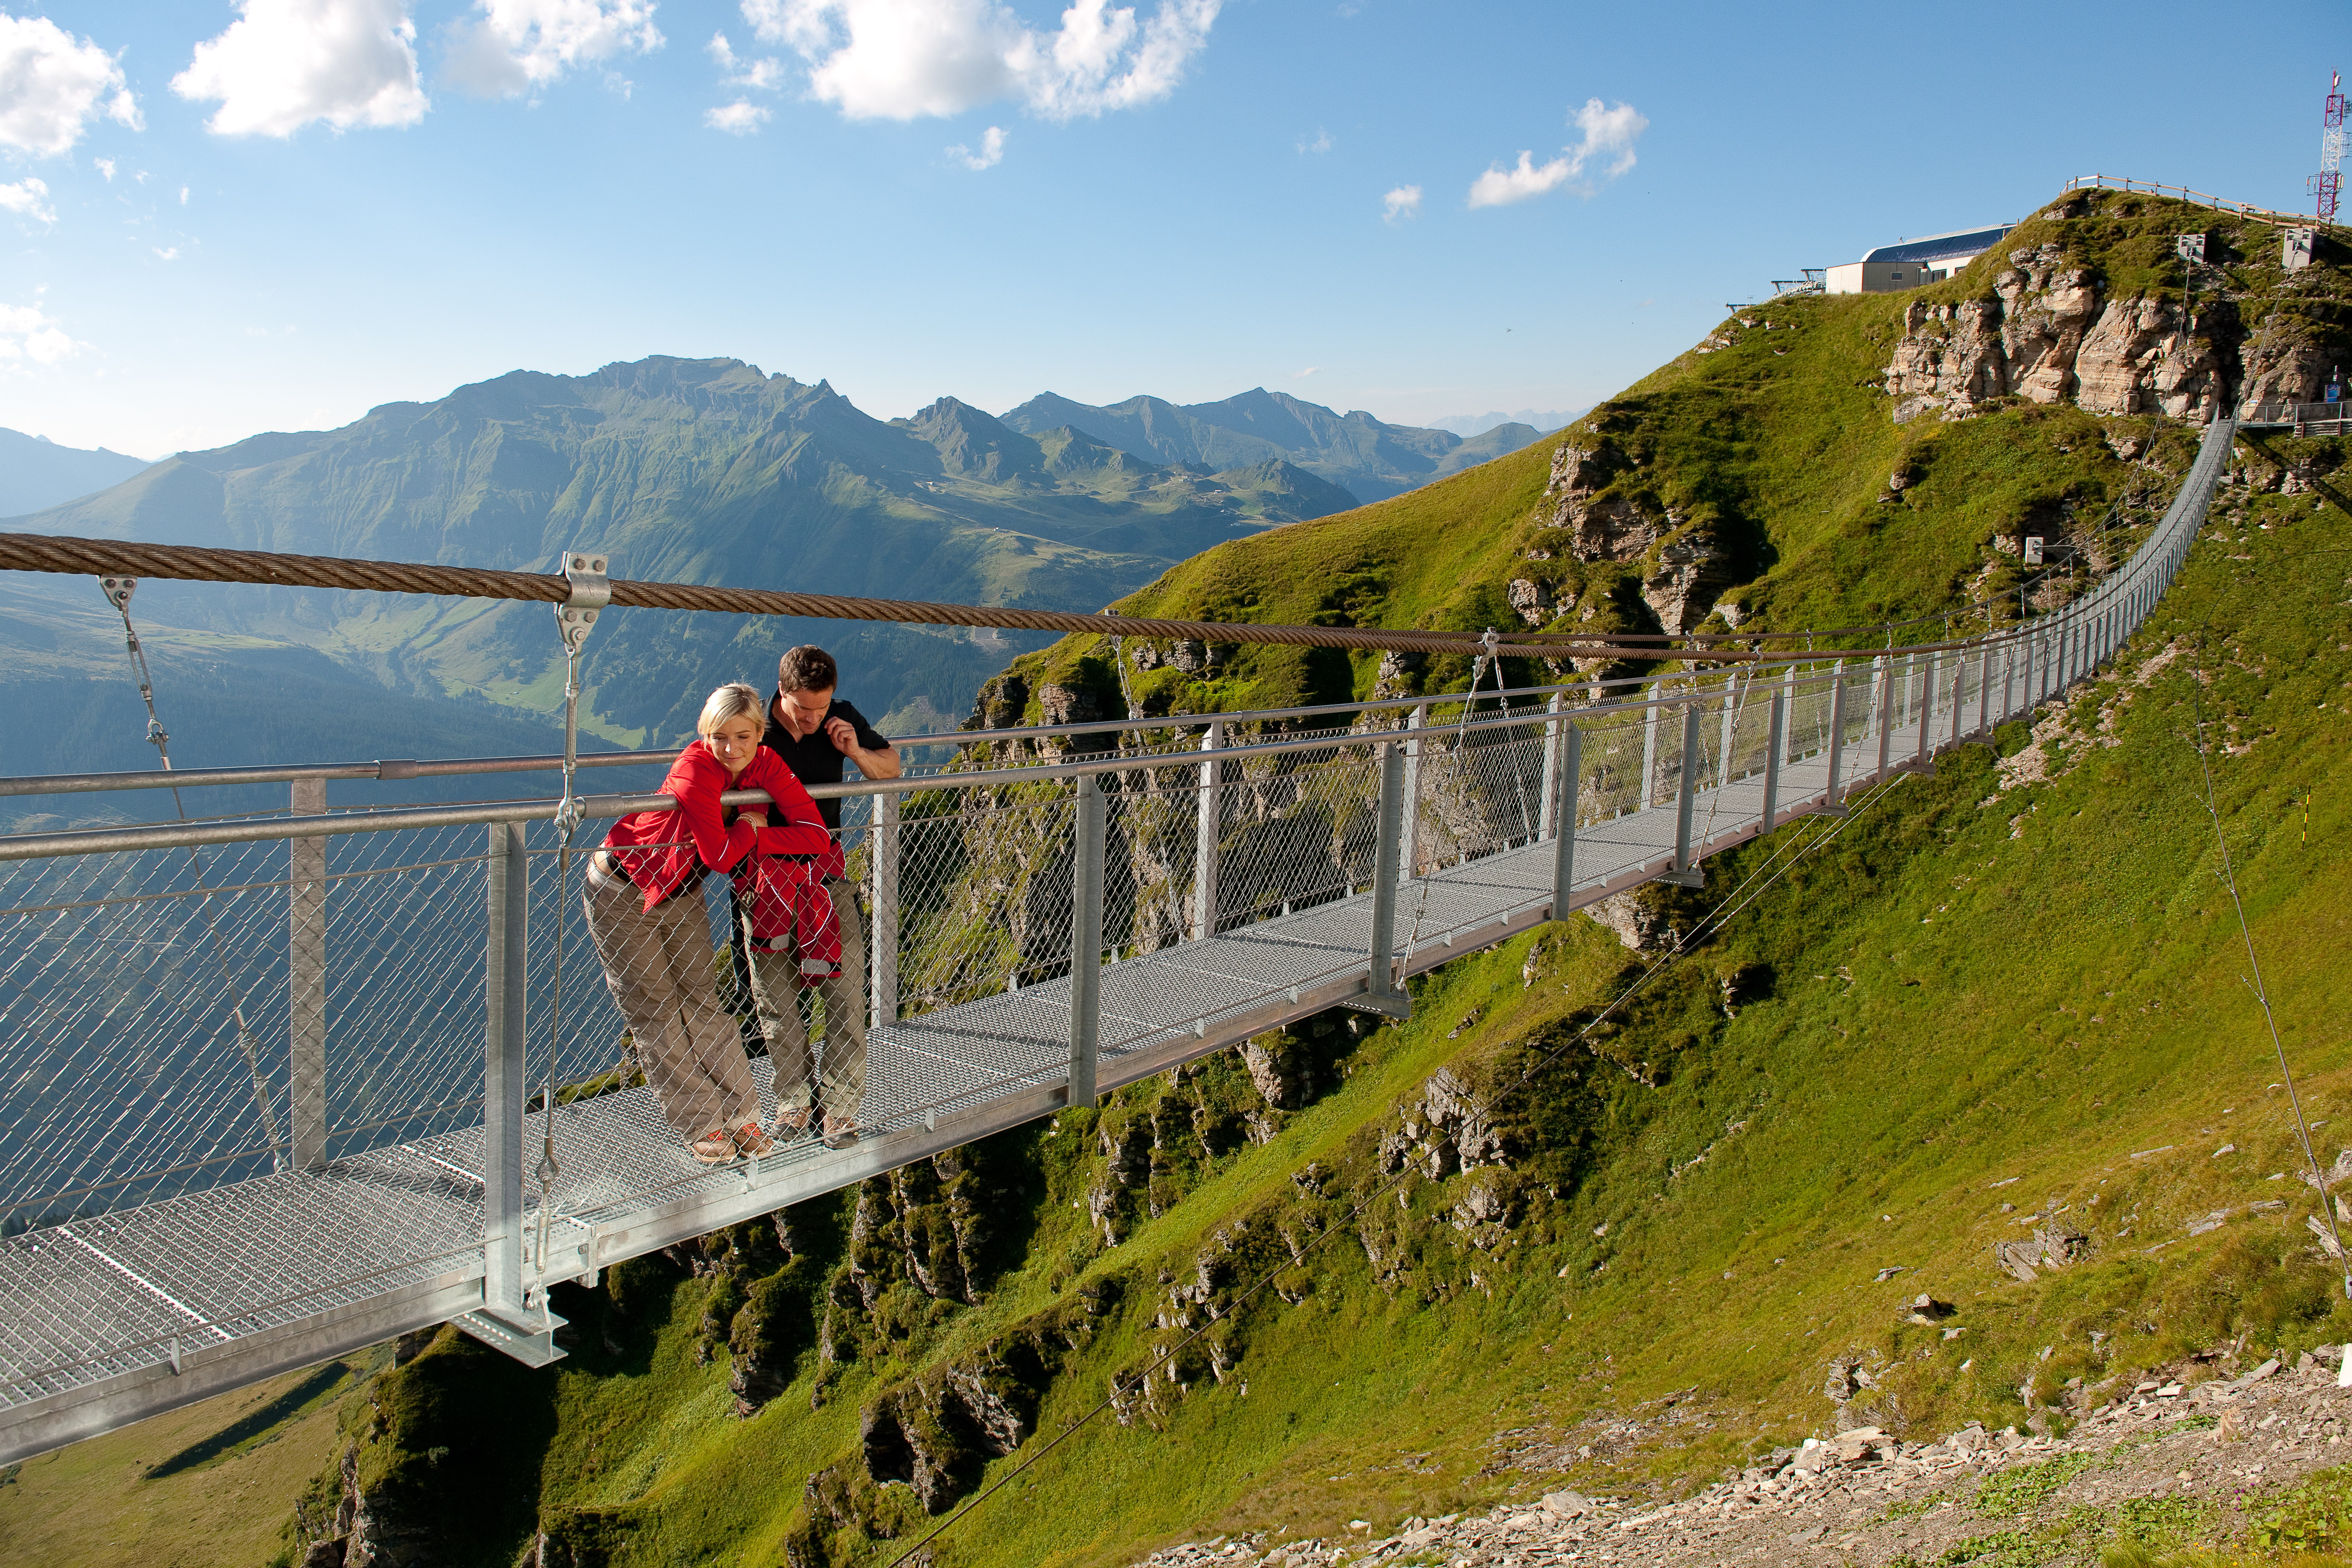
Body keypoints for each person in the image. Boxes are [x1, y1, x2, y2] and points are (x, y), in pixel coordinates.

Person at [583, 682, 832, 1166]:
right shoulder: (695, 768)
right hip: (623, 888)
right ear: (705, 734)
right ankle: (702, 1122)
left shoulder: (767, 764)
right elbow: (720, 855)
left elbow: (816, 836)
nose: (731, 749)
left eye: (743, 736)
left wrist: (757, 838)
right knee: (657, 1011)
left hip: (681, 889)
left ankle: (743, 1116)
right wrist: (752, 828)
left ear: (761, 733)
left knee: (703, 1002)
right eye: (720, 736)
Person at [752, 644, 900, 1149]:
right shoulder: (753, 728)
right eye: (803, 709)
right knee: (778, 1002)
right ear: (781, 693)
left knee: (844, 994)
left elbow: (892, 768)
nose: (815, 718)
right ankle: (794, 1105)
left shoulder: (840, 717)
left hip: (826, 878)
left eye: (822, 706)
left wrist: (855, 752)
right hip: (766, 883)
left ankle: (839, 1111)